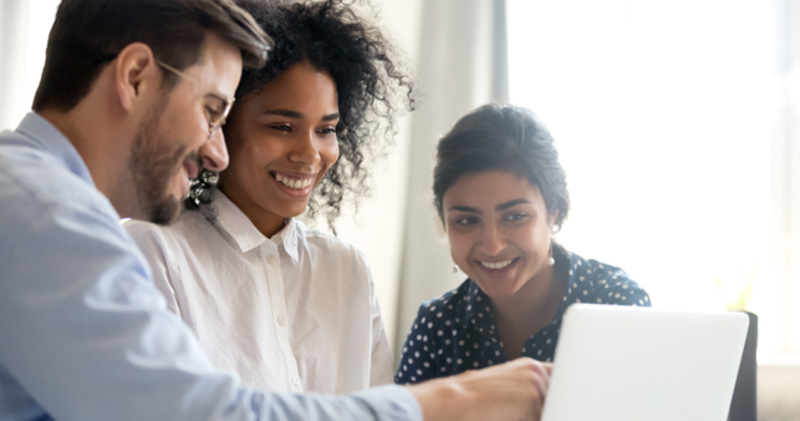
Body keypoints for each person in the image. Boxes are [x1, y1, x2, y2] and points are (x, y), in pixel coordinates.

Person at [0, 1, 551, 420]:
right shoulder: (43, 211)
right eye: (213, 110)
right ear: (136, 76)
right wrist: (446, 400)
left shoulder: (35, 196)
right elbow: (202, 413)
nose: (216, 151)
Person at [124, 0, 412, 393]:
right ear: (219, 125)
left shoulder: (347, 270)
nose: (310, 154)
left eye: (325, 130)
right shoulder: (154, 249)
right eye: (281, 126)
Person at [396, 103, 651, 384]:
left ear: (555, 211)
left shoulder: (616, 305)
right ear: (444, 223)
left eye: (515, 216)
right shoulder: (436, 326)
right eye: (467, 221)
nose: (492, 246)